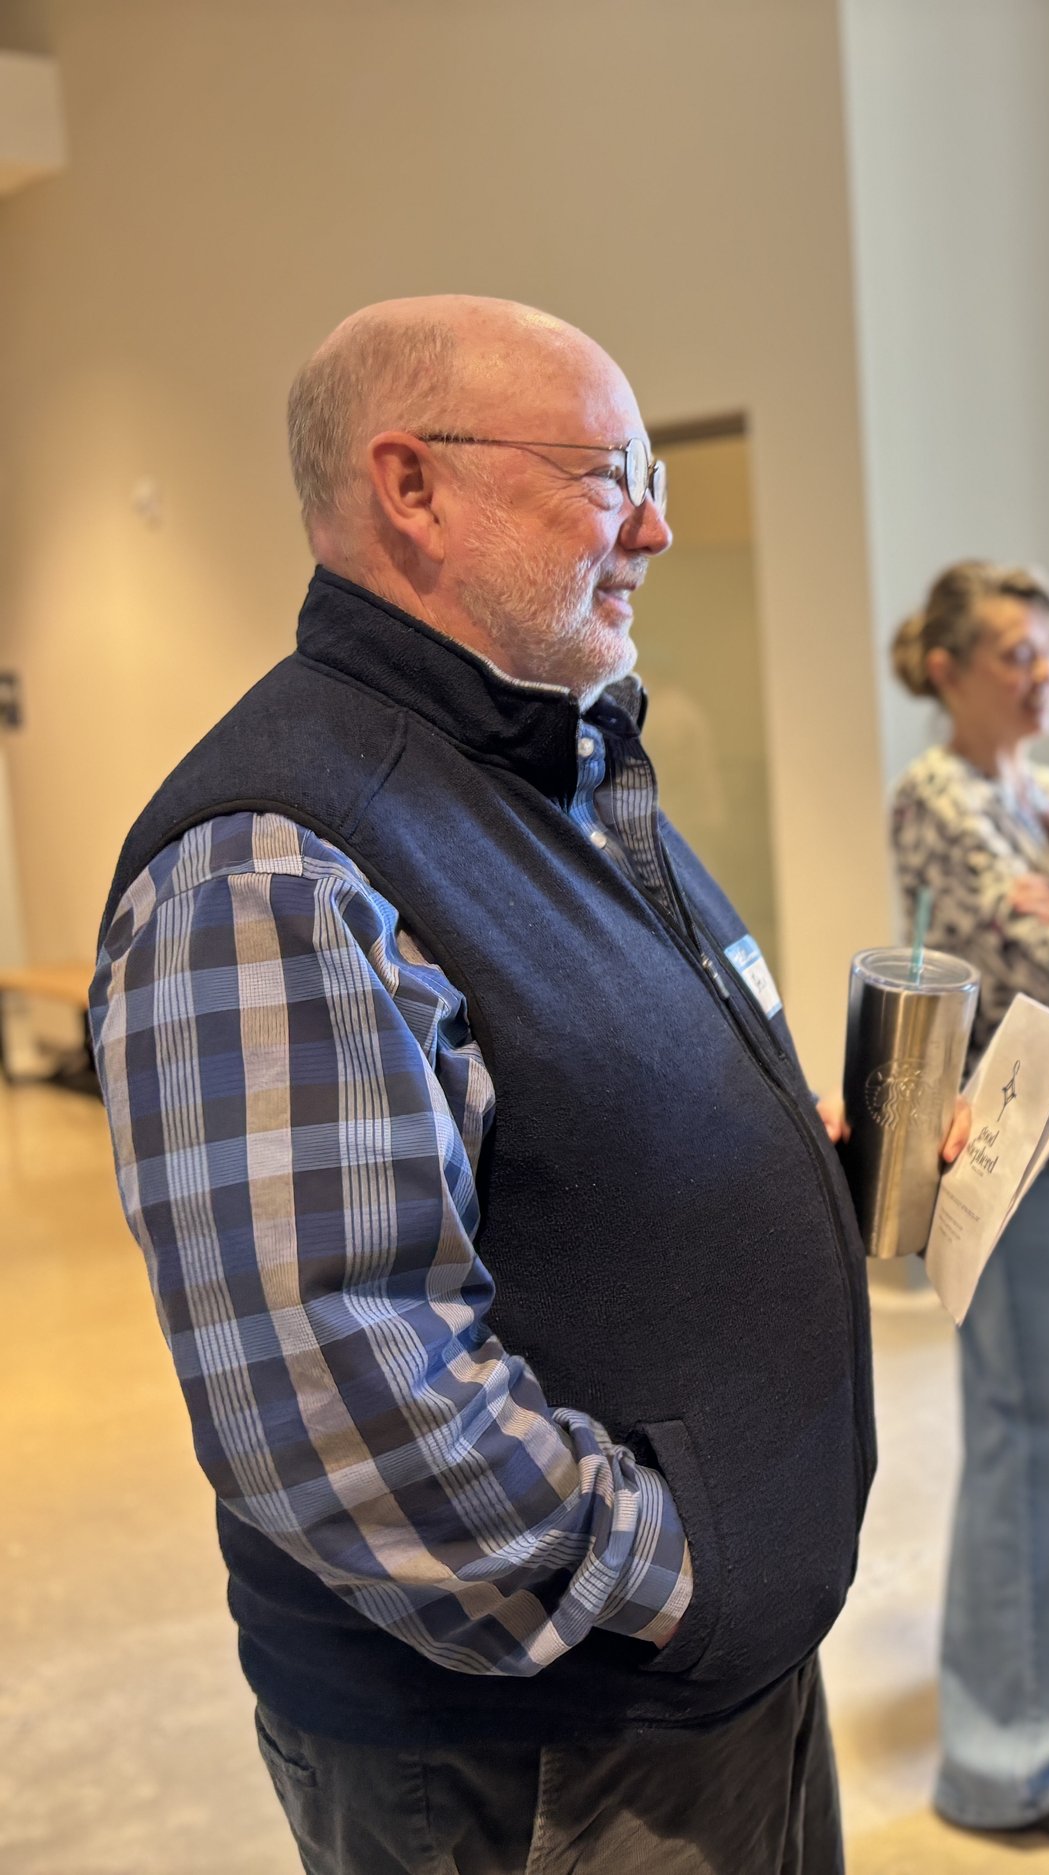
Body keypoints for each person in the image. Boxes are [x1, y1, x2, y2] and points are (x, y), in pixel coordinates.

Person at [89, 296, 963, 1875]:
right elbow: (342, 1384)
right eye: (606, 470)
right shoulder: (275, 858)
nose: (656, 523)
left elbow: (569, 1126)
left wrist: (786, 1174)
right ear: (410, 486)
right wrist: (670, 1575)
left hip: (695, 1691)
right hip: (542, 1748)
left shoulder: (544, 764)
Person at [886, 560, 1049, 1843]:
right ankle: (1009, 1760)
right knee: (1039, 1445)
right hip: (1010, 1157)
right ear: (947, 670)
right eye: (1015, 657)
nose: (1045, 676)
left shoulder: (1034, 799)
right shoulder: (939, 797)